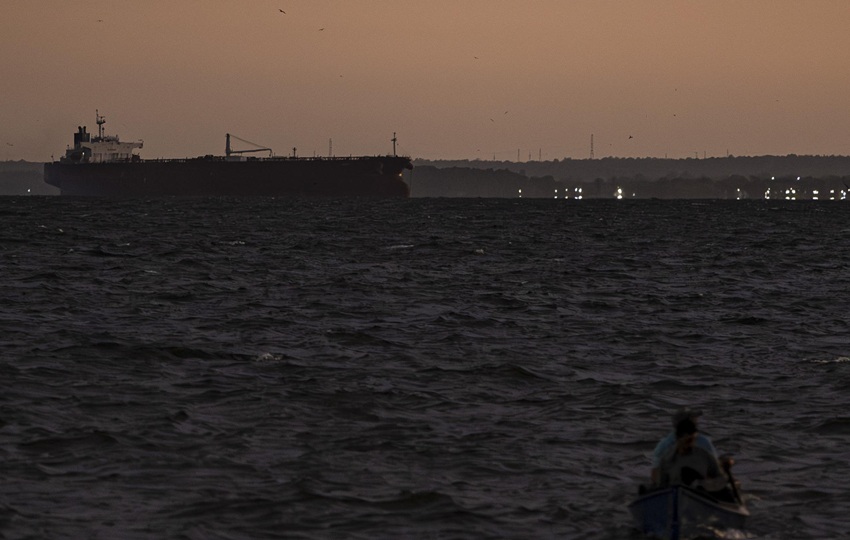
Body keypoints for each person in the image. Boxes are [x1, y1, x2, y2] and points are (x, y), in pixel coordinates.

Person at [650, 407, 718, 486]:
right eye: (693, 418)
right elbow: (656, 472)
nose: (696, 421)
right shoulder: (664, 445)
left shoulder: (704, 442)